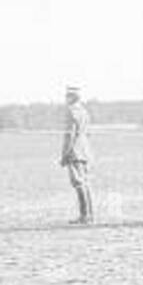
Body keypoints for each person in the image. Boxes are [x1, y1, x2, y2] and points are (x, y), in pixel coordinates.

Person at [59, 85, 94, 224]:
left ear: (72, 97)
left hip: (75, 152)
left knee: (78, 183)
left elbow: (70, 135)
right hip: (85, 151)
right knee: (85, 183)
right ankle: (90, 214)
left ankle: (85, 215)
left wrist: (65, 154)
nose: (65, 99)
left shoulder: (71, 112)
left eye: (67, 96)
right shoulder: (85, 112)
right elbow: (88, 133)